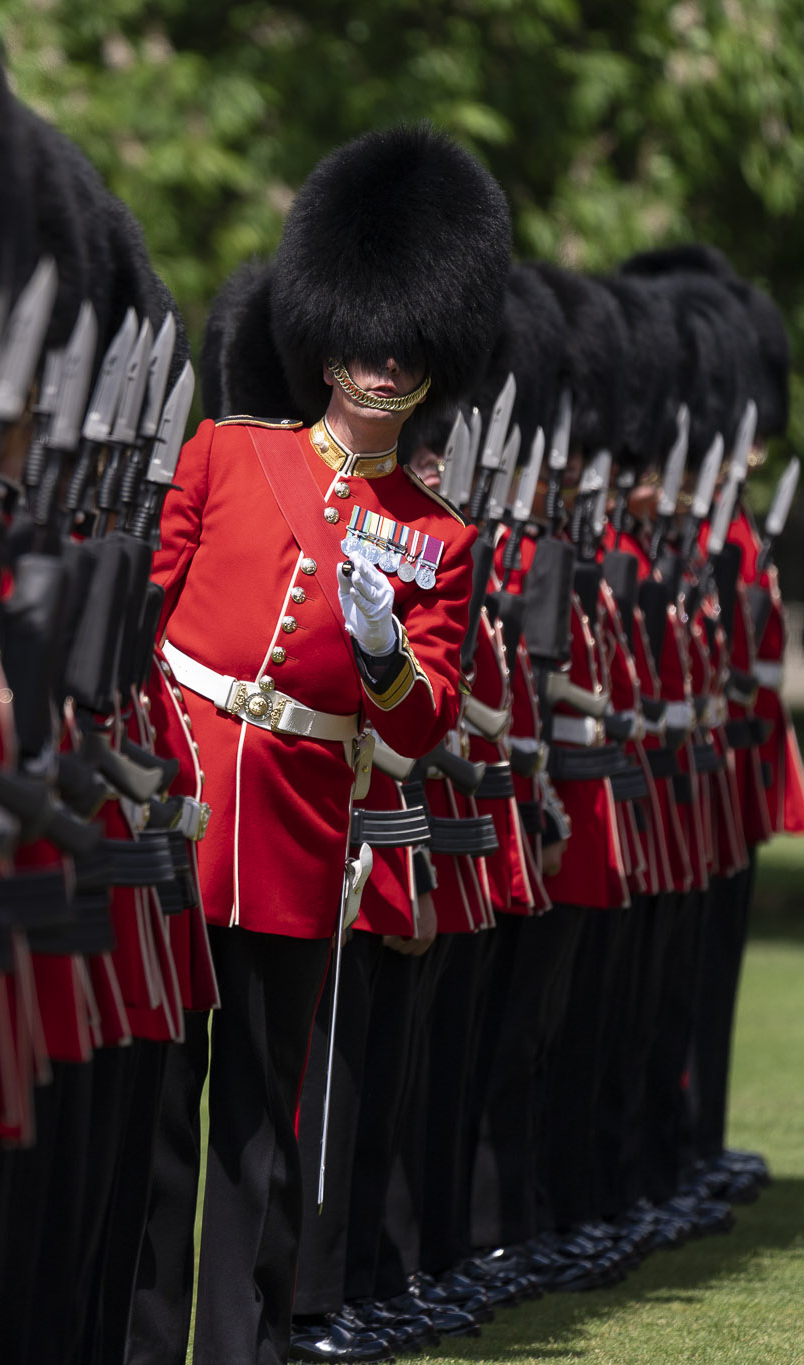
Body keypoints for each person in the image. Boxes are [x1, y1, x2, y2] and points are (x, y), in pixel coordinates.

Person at [133, 124, 510, 1365]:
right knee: (155, 1120)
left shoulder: (439, 541)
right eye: (361, 341)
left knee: (254, 1123)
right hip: (184, 798)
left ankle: (239, 1347)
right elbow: (143, 616)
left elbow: (417, 726)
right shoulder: (228, 453)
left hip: (295, 835)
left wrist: (383, 649)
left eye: (400, 348)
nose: (375, 366)